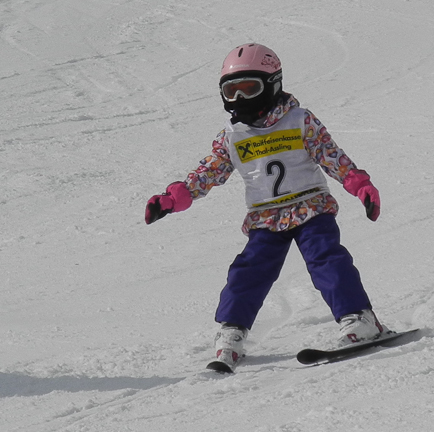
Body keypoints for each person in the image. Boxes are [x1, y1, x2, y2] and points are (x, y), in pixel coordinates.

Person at [144, 43, 385, 371]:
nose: (240, 99)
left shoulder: (299, 121)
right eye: (232, 91)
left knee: (326, 259)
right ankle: (232, 330)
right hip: (265, 217)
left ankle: (358, 318)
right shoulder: (232, 136)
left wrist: (360, 186)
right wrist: (174, 198)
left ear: (272, 85)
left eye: (249, 88)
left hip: (310, 207)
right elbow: (208, 172)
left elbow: (332, 156)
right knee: (249, 270)